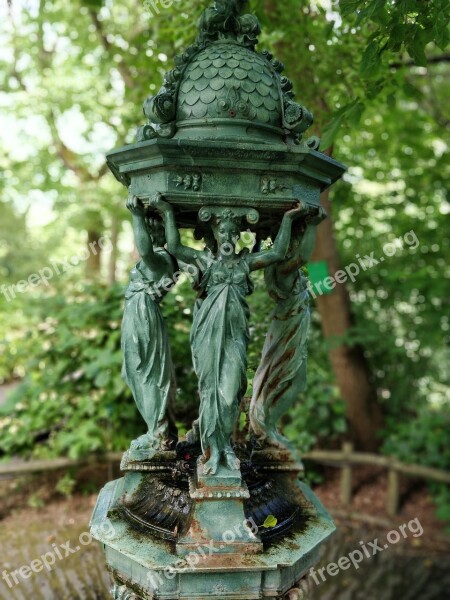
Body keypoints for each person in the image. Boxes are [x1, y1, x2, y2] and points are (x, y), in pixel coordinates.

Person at [151, 194, 307, 474]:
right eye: (223, 230)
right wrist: (165, 211)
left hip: (235, 335)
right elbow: (173, 245)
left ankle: (223, 445)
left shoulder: (244, 263)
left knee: (231, 390)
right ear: (215, 232)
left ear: (238, 237)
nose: (228, 235)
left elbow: (275, 253)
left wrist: (288, 218)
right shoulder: (206, 261)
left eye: (233, 232)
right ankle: (213, 451)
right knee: (210, 390)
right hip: (208, 335)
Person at [249, 212, 325, 449]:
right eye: (296, 238)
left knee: (293, 381)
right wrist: (312, 224)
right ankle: (263, 426)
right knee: (285, 380)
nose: (300, 242)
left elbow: (321, 284)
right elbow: (303, 256)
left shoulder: (292, 271)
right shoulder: (283, 269)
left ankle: (266, 426)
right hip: (286, 328)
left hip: (293, 327)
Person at [121, 194, 178, 460]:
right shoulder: (158, 258)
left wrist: (136, 216)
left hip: (143, 315)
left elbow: (143, 250)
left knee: (148, 373)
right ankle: (156, 429)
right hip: (137, 313)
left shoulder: (163, 259)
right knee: (136, 373)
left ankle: (159, 431)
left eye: (147, 228)